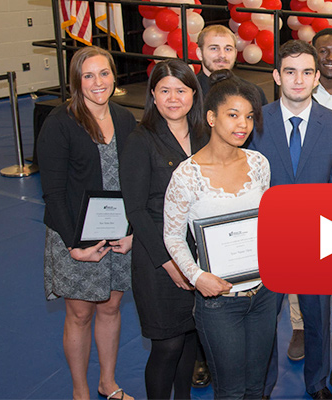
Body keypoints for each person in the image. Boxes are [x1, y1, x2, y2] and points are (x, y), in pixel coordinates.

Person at [163, 69, 276, 398]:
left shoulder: (259, 164)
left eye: (249, 116)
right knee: (230, 390)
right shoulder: (187, 176)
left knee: (257, 387)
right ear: (211, 117)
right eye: (232, 115)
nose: (242, 124)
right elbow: (172, 236)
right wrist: (197, 277)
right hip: (219, 302)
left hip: (264, 294)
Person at [248, 40, 332, 399]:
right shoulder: (256, 121)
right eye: (290, 72)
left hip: (317, 242)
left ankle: (318, 384)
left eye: (307, 72)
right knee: (262, 323)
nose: (298, 80)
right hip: (269, 241)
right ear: (277, 75)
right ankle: (260, 388)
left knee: (319, 321)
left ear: (316, 76)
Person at [37, 46, 135, 400]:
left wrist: (133, 232)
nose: (98, 82)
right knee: (79, 314)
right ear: (77, 81)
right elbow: (54, 192)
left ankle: (107, 383)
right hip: (74, 234)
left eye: (104, 73)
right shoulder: (60, 124)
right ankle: (80, 392)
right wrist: (74, 246)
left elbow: (136, 181)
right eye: (89, 75)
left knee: (110, 306)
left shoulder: (125, 119)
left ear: (114, 76)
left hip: (118, 235)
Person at [119, 59, 207, 399]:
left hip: (198, 257)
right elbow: (137, 210)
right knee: (167, 345)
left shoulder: (204, 136)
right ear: (152, 95)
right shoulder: (141, 140)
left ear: (193, 94)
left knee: (188, 339)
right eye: (165, 90)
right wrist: (171, 264)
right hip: (159, 262)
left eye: (181, 90)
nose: (173, 98)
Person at [195, 24, 269, 105]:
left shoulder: (253, 93)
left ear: (235, 53)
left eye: (228, 49)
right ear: (199, 53)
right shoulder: (189, 93)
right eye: (214, 48)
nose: (222, 55)